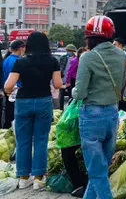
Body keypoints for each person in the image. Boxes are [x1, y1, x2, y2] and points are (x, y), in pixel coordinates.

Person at [73, 15, 126, 199]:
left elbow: (80, 93)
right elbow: (121, 85)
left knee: (96, 171)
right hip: (112, 113)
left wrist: (72, 92)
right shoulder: (122, 55)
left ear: (89, 37)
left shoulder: (88, 57)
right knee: (101, 166)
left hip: (92, 116)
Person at [4, 32, 62, 190]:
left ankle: (23, 178)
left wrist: (14, 90)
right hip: (43, 101)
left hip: (23, 102)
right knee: (41, 140)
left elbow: (8, 86)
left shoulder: (21, 62)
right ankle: (38, 178)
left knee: (23, 141)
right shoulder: (52, 61)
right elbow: (57, 84)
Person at [2, 40, 25, 129]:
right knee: (15, 117)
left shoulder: (6, 59)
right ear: (20, 49)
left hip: (7, 90)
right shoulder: (18, 61)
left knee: (9, 114)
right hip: (15, 91)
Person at [59, 44, 77, 110]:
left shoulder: (76, 59)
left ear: (72, 51)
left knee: (71, 97)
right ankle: (60, 110)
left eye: (69, 50)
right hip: (63, 80)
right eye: (67, 50)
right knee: (61, 96)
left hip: (71, 81)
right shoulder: (63, 58)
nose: (68, 52)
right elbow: (60, 67)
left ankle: (70, 110)